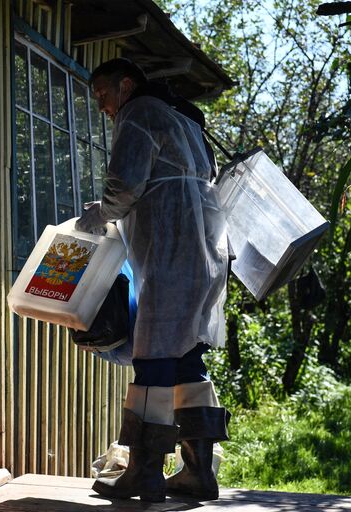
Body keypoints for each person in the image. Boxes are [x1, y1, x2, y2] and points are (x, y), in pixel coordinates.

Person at [75, 58, 230, 503]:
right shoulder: (180, 117)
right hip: (206, 253)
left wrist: (98, 213)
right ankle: (199, 473)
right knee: (186, 357)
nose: (102, 105)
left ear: (127, 84)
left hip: (171, 251)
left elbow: (124, 184)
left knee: (153, 361)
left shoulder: (139, 111)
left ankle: (144, 472)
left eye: (104, 93)